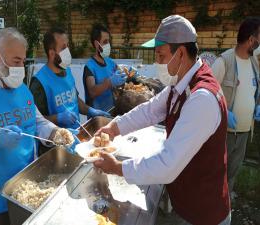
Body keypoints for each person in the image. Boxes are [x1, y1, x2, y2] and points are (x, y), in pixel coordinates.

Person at [93, 15, 231, 225]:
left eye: (160, 55)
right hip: (187, 201)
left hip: (203, 214)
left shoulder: (201, 97)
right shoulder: (181, 84)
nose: (157, 62)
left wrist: (118, 168)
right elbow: (150, 110)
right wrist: (113, 128)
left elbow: (167, 165)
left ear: (181, 52)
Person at [0, 28, 73, 225]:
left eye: (23, 61)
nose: (21, 67)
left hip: (23, 192)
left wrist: (56, 132)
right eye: (16, 61)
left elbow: (37, 121)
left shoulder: (20, 88)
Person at [30, 28, 110, 155]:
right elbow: (36, 120)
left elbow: (75, 99)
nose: (67, 51)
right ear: (51, 53)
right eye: (63, 48)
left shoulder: (67, 72)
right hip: (54, 148)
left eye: (67, 46)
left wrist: (90, 110)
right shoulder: (39, 82)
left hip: (77, 137)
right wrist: (59, 118)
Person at [211, 17, 260, 194]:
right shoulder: (224, 61)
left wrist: (257, 106)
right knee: (217, 173)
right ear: (251, 40)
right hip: (226, 133)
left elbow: (253, 89)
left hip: (245, 132)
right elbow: (208, 94)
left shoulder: (254, 63)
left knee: (232, 173)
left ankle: (224, 208)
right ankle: (211, 209)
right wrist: (224, 112)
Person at [83, 24, 127, 112]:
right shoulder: (89, 67)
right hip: (98, 116)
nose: (108, 44)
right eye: (105, 42)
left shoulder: (111, 62)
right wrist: (108, 83)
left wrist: (128, 74)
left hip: (112, 111)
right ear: (96, 44)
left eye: (109, 41)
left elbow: (121, 76)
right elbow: (92, 92)